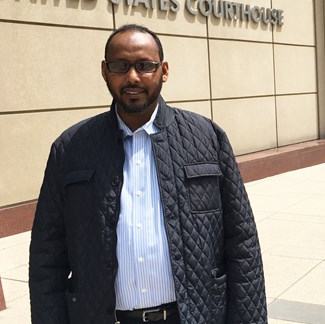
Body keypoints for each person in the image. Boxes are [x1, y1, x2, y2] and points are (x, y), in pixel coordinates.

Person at [29, 24, 267, 323]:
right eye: (120, 66)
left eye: (144, 66)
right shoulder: (71, 148)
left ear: (163, 70)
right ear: (105, 71)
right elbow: (46, 255)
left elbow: (242, 241)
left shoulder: (207, 138)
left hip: (193, 316)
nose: (132, 77)